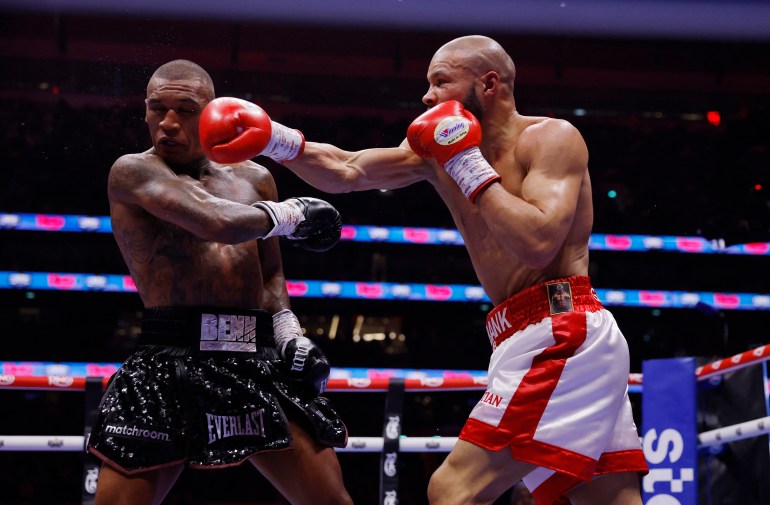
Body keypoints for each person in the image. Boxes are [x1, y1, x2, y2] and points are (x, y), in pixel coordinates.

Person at [200, 34, 649, 505]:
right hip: (521, 332)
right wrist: (275, 138)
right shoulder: (436, 154)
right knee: (607, 498)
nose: (427, 96)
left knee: (452, 489)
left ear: (489, 83)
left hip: (564, 333)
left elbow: (538, 242)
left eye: (440, 82)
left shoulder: (551, 138)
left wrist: (466, 162)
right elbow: (350, 169)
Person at [86, 59, 354, 505]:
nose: (167, 123)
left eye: (185, 110)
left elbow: (269, 271)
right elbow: (214, 221)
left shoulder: (256, 177)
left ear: (211, 112)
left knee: (330, 500)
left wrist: (289, 332)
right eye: (157, 109)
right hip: (170, 357)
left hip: (254, 355)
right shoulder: (133, 171)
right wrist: (293, 215)